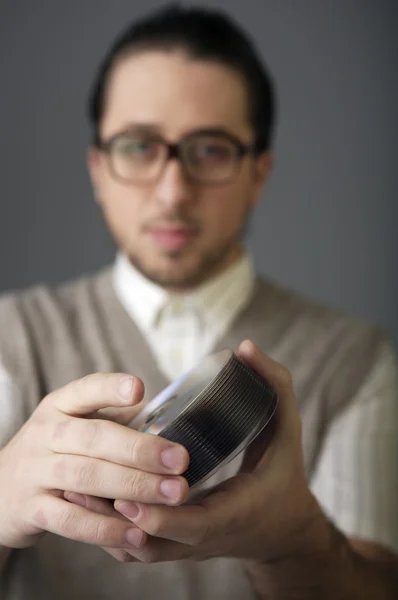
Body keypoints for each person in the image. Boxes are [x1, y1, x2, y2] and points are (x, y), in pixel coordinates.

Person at [0, 4, 397, 599]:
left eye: (209, 150)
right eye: (138, 147)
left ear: (258, 172)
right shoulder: (9, 336)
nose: (172, 191)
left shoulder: (359, 361)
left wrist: (296, 542)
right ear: (98, 168)